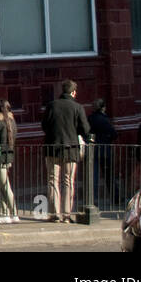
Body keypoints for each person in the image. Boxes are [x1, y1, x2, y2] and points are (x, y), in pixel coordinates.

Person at [42, 79, 89, 223]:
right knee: (68, 181)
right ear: (74, 92)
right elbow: (85, 129)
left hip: (52, 148)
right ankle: (67, 214)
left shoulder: (52, 106)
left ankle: (55, 214)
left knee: (52, 180)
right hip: (71, 149)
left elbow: (44, 125)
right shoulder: (77, 107)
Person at [0, 100, 19, 223]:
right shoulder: (12, 120)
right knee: (1, 184)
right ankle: (5, 212)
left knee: (3, 185)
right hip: (8, 155)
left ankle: (13, 212)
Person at [89, 98, 119, 203]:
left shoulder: (90, 118)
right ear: (103, 108)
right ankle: (116, 197)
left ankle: (92, 199)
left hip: (93, 150)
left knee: (94, 176)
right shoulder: (104, 119)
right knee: (109, 175)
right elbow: (114, 134)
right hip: (105, 150)